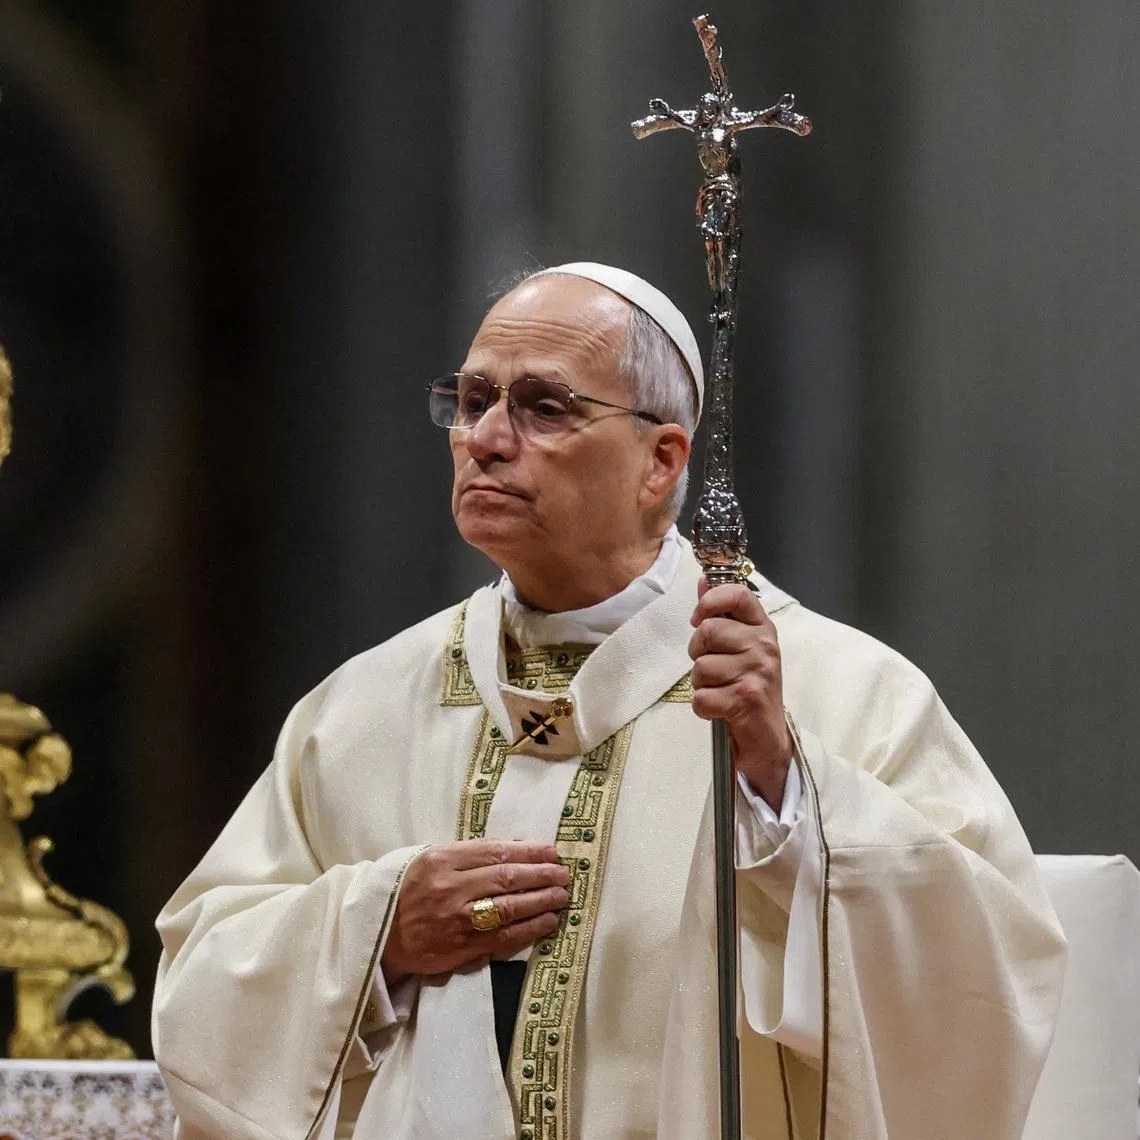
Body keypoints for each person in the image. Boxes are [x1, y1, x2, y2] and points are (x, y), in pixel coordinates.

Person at [152, 263, 1066, 1140]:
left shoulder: (840, 692)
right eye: (471, 402)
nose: (487, 438)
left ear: (661, 461)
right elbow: (202, 984)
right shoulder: (360, 711)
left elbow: (983, 977)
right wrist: (379, 930)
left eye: (543, 407)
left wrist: (785, 792)